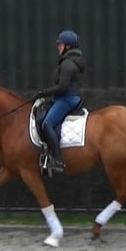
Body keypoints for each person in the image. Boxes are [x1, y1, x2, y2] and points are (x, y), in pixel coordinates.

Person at [33, 30, 86, 173]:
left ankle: (57, 160)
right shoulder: (68, 62)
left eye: (60, 44)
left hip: (68, 98)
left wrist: (43, 93)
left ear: (68, 46)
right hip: (67, 97)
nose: (58, 47)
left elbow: (62, 87)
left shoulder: (68, 64)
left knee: (47, 123)